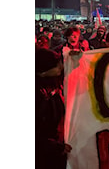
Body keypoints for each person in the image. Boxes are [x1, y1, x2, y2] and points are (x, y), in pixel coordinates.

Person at [36, 38, 72, 168]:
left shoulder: (53, 82)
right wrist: (55, 147)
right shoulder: (38, 94)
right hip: (45, 155)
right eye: (56, 66)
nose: (60, 68)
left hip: (57, 146)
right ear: (44, 70)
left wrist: (75, 60)